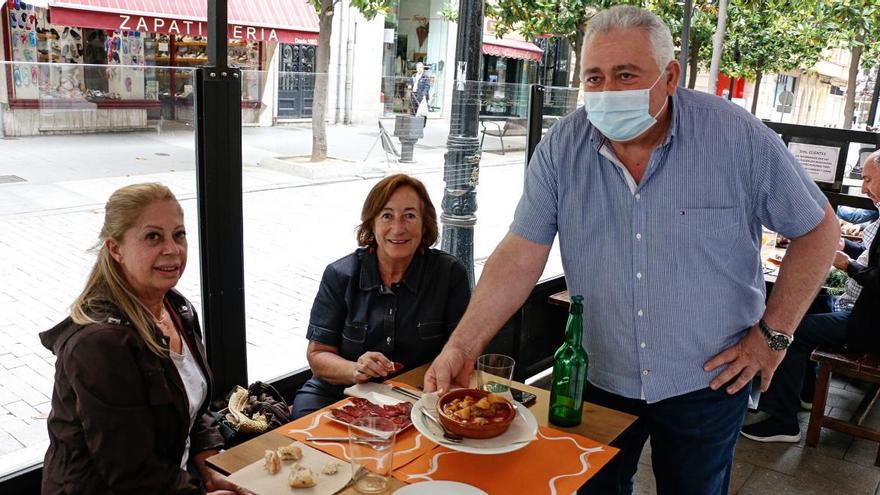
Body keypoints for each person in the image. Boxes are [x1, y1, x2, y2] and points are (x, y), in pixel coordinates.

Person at [422, 6, 840, 495]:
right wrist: (462, 347)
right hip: (600, 376)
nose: (607, 92)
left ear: (670, 77)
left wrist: (773, 337)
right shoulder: (564, 145)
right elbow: (520, 252)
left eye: (626, 75)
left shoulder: (736, 138)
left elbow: (819, 231)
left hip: (707, 382)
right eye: (594, 78)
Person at [39, 183, 246, 495]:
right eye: (153, 237)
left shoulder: (177, 308)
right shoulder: (100, 344)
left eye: (179, 234)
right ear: (115, 249)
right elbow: (130, 472)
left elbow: (192, 409)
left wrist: (210, 467)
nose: (173, 250)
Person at [291, 174, 470, 418]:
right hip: (341, 391)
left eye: (409, 215)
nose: (398, 228)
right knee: (304, 427)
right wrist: (355, 369)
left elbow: (463, 350)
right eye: (387, 216)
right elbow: (318, 355)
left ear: (425, 223)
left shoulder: (449, 274)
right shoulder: (340, 274)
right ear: (371, 224)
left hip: (417, 395)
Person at [742, 151, 880, 443]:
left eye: (868, 179)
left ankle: (782, 420)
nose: (864, 187)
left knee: (791, 331)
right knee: (817, 303)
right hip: (864, 311)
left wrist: (848, 265)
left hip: (871, 325)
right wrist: (848, 250)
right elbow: (873, 261)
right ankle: (806, 392)